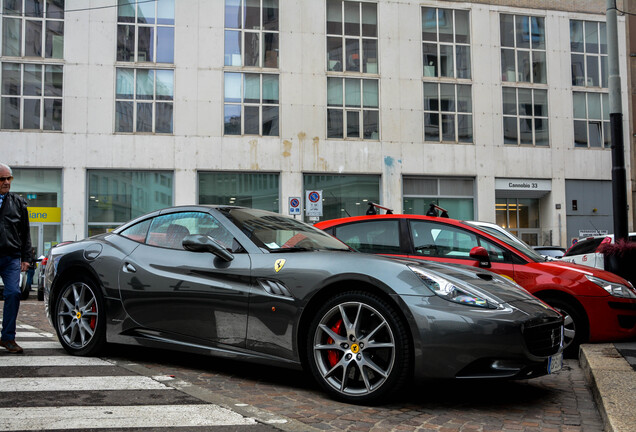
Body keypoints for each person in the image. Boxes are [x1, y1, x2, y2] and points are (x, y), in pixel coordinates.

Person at [0, 163, 31, 354]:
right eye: (1, 179)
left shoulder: (18, 203)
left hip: (11, 256)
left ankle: (8, 338)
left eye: (8, 179)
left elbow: (25, 232)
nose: (5, 182)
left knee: (13, 293)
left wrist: (26, 257)